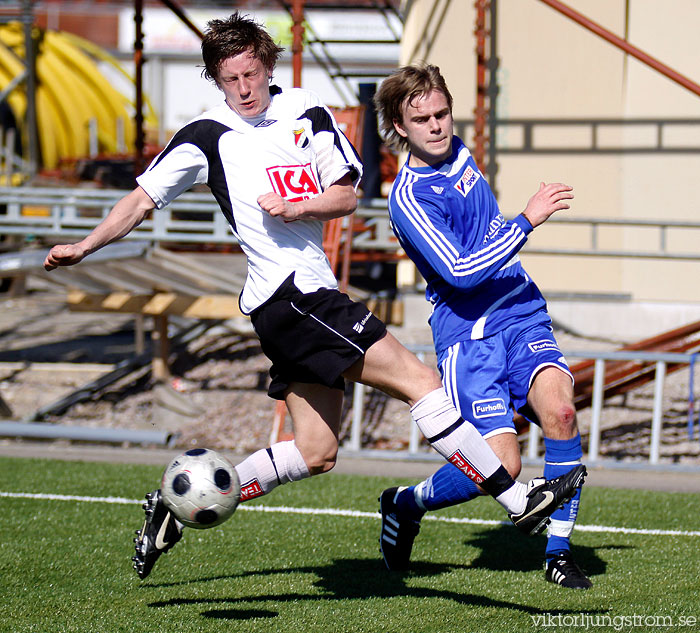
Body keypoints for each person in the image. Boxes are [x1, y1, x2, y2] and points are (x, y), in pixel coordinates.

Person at [43, 14, 584, 581]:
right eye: (230, 80)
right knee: (419, 381)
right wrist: (86, 245)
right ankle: (518, 502)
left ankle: (172, 514)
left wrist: (301, 207)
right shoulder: (205, 134)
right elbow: (139, 200)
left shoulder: (307, 111)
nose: (244, 88)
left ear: (267, 65)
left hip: (307, 299)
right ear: (216, 80)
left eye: (251, 73)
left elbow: (347, 195)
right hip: (291, 297)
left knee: (315, 451)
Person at [373, 63, 591, 589]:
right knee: (504, 466)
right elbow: (461, 273)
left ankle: (557, 554)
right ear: (400, 128)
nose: (436, 126)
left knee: (562, 413)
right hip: (468, 333)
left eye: (442, 113)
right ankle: (405, 503)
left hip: (519, 308)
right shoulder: (409, 197)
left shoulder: (458, 150)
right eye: (420, 118)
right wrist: (527, 218)